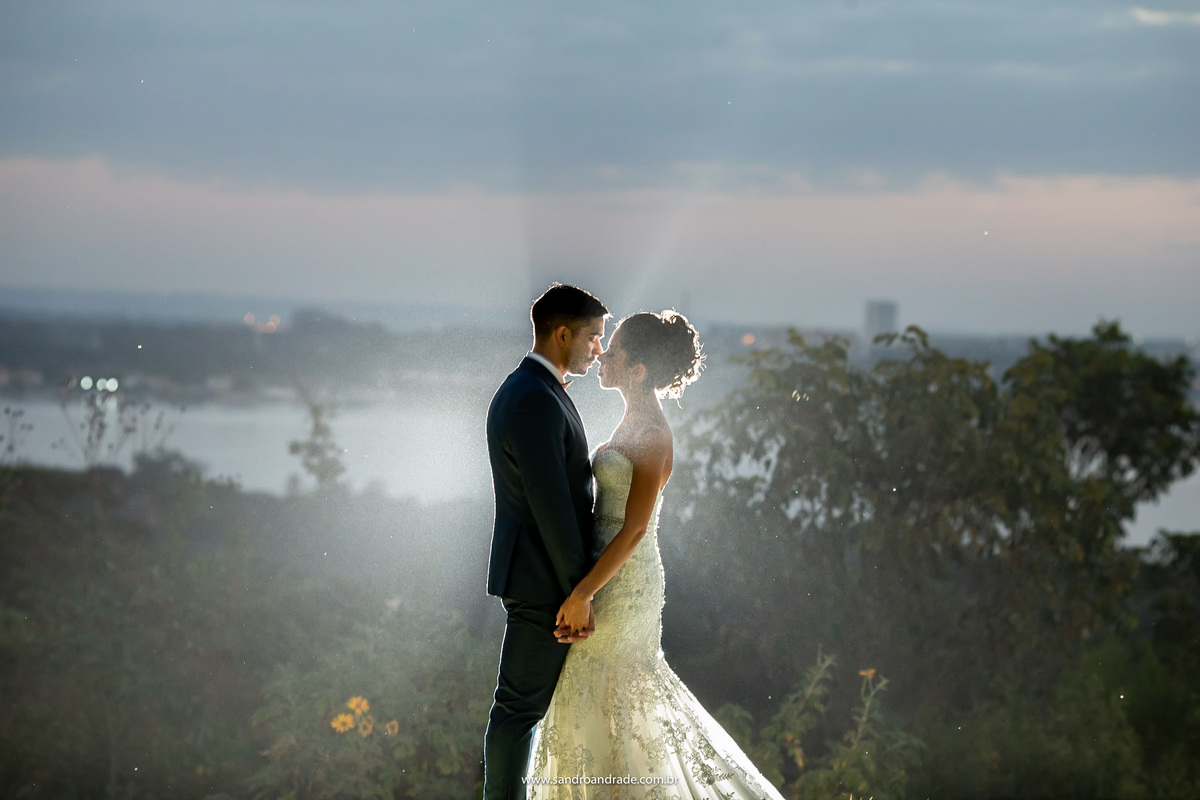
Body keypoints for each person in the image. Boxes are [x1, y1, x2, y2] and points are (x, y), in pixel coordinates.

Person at [528, 311, 786, 800]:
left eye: (614, 348)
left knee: (616, 693)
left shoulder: (652, 433)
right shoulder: (632, 420)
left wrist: (583, 593)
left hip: (623, 583)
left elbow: (636, 528)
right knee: (594, 694)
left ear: (639, 370)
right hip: (604, 576)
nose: (601, 352)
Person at [483, 284, 610, 800]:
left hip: (543, 578)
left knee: (521, 711)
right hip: (543, 584)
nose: (599, 348)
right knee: (517, 712)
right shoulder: (533, 399)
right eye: (594, 337)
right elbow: (553, 509)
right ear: (563, 334)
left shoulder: (537, 389)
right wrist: (577, 594)